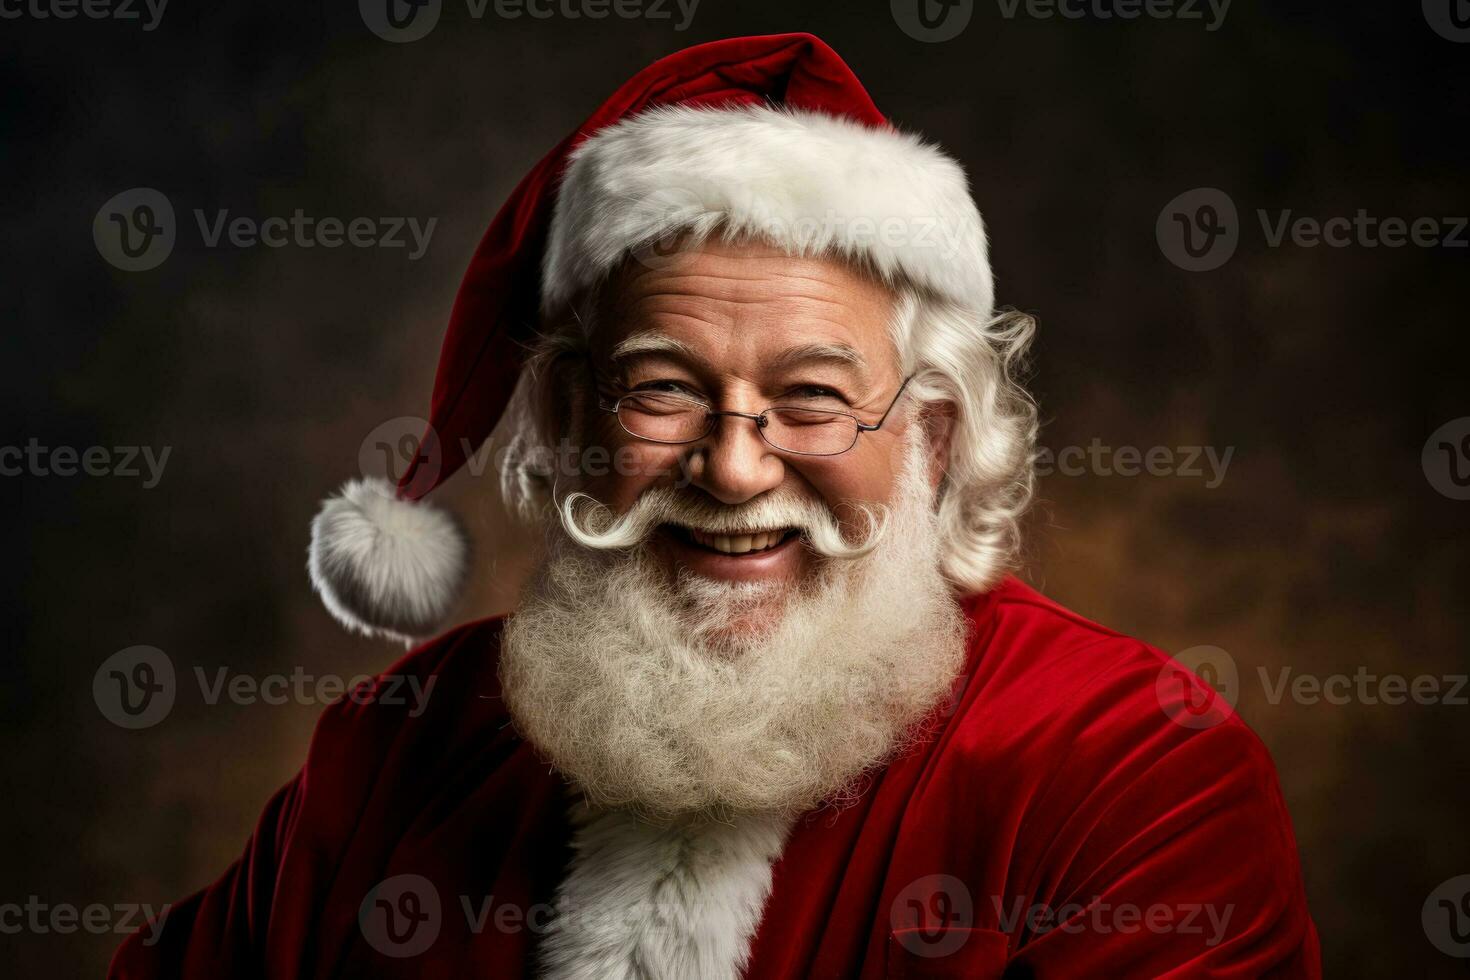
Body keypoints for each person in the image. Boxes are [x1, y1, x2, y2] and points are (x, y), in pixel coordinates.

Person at [110, 32, 1319, 979]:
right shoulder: (398, 743)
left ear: (934, 435)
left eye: (811, 396)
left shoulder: (1136, 767)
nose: (735, 468)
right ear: (577, 422)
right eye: (662, 389)